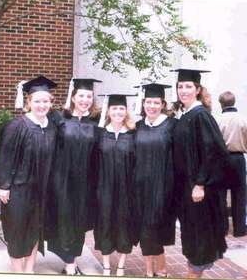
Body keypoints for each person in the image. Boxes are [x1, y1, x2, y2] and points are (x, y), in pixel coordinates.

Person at [0, 75, 57, 273]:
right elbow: (5, 157)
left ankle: (29, 270)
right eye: (37, 101)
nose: (42, 105)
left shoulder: (52, 127)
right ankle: (17, 271)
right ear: (28, 102)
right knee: (17, 230)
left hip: (42, 189)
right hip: (19, 190)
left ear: (50, 103)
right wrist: (3, 186)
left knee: (35, 230)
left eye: (46, 101)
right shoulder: (16, 126)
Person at [172, 69, 230, 278]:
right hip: (185, 188)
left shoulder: (201, 115)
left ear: (197, 89)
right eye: (180, 86)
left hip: (198, 190)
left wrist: (200, 183)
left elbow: (213, 152)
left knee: (199, 233)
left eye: (188, 86)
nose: (183, 90)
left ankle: (194, 274)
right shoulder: (185, 115)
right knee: (190, 232)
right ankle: (194, 271)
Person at [46, 78, 101, 275]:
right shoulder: (59, 118)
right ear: (73, 97)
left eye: (89, 96)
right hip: (61, 180)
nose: (85, 100)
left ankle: (71, 261)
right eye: (81, 96)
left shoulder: (97, 121)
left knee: (78, 222)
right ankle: (69, 264)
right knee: (63, 219)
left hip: (86, 181)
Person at [134, 83, 177, 278]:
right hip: (140, 186)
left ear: (163, 104)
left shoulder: (172, 125)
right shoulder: (137, 126)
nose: (152, 106)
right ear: (143, 104)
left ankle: (161, 266)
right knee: (145, 227)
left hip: (163, 185)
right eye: (148, 102)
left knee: (157, 226)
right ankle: (149, 268)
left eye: (156, 102)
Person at [93, 93, 137, 277]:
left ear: (126, 111)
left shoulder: (134, 134)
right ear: (108, 111)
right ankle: (105, 264)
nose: (118, 112)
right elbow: (93, 163)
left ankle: (121, 264)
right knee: (104, 223)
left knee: (124, 224)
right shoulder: (100, 134)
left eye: (121, 108)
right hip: (104, 189)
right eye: (114, 108)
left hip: (127, 190)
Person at [217, 91, 247, 237]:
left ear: (220, 103)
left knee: (221, 194)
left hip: (221, 159)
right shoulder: (243, 119)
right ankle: (240, 229)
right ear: (234, 102)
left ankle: (222, 228)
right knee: (240, 194)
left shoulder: (217, 120)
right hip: (239, 158)